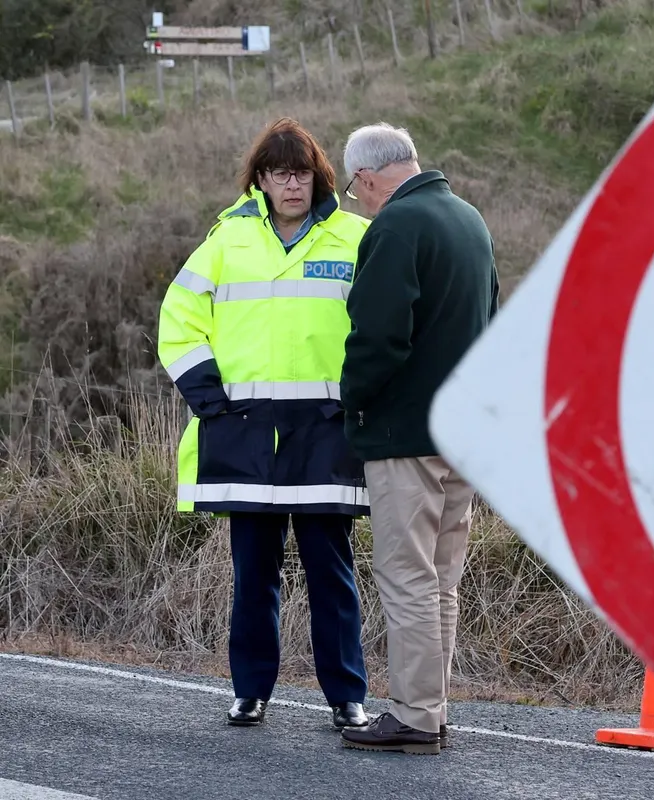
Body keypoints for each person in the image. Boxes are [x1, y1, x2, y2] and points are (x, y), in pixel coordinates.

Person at [156, 117, 373, 732]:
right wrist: (211, 400)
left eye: (302, 173)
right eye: (280, 173)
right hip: (246, 434)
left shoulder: (354, 239)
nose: (292, 185)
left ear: (318, 177)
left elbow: (379, 329)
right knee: (254, 574)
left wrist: (359, 398)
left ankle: (345, 697)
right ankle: (250, 689)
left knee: (331, 573)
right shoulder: (226, 242)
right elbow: (178, 320)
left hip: (326, 432)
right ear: (261, 180)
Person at [336, 123, 500, 754]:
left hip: (406, 432)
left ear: (368, 177)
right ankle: (432, 705)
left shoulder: (397, 227)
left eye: (357, 192)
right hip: (462, 430)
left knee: (406, 576)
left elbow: (378, 336)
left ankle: (412, 714)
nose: (359, 201)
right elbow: (490, 313)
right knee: (443, 577)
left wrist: (352, 403)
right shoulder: (468, 219)